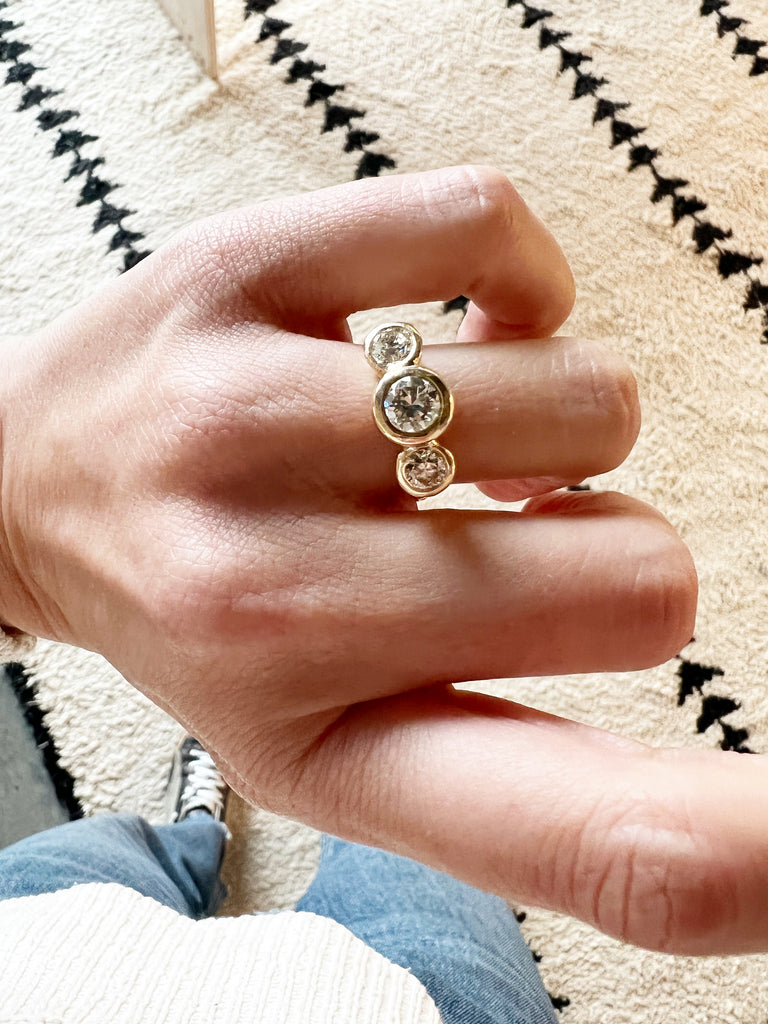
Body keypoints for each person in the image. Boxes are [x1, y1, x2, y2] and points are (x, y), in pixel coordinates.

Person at [5, 162, 752, 1016]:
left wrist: (18, 489)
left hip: (29, 934)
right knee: (405, 851)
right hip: (409, 1001)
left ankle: (195, 833)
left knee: (95, 861)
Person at [0, 735, 559, 1023]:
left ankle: (197, 833)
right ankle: (353, 760)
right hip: (411, 1005)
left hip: (40, 952)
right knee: (407, 823)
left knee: (102, 851)